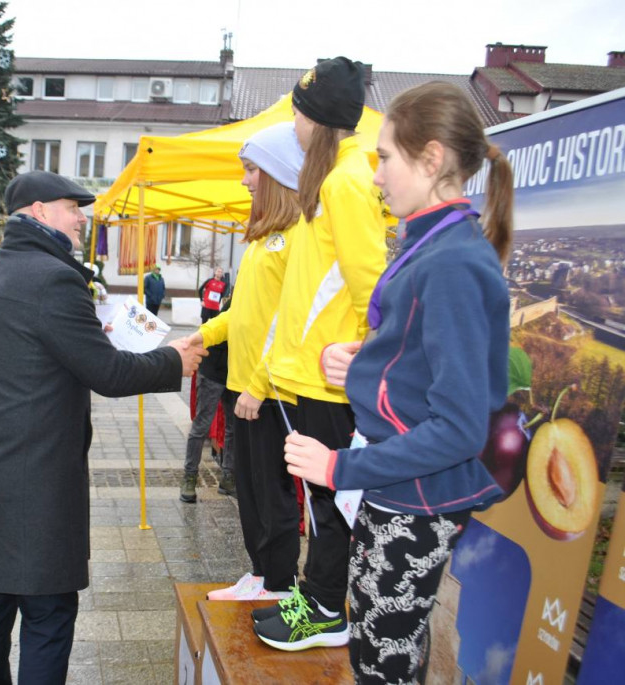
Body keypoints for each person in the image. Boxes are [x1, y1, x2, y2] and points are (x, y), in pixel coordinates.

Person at [282, 81, 514, 682]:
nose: (377, 176)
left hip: (414, 495)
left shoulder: (454, 260)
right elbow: (425, 358)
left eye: (385, 157)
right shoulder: (434, 246)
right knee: (378, 651)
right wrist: (365, 359)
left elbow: (460, 426)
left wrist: (338, 469)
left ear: (431, 159)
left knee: (383, 663)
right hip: (400, 490)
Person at [0, 170, 206, 684]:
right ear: (40, 212)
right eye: (72, 207)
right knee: (47, 616)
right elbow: (107, 374)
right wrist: (172, 360)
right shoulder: (53, 278)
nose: (82, 217)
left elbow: (29, 358)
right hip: (36, 481)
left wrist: (90, 334)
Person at [241, 57, 388, 652]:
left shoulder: (346, 181)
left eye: (300, 114)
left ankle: (327, 610)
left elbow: (372, 283)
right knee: (319, 500)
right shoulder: (327, 181)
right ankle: (317, 597)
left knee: (330, 505)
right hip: (309, 374)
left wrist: (367, 355)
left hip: (332, 379)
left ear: (320, 121)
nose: (294, 124)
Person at [189, 122, 307, 602]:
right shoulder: (263, 237)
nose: (244, 180)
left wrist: (258, 384)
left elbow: (290, 319)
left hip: (272, 390)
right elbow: (247, 313)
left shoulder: (299, 236)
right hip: (246, 385)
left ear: (277, 172)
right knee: (250, 491)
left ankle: (279, 585)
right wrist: (203, 334)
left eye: (252, 169)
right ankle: (260, 574)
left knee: (273, 492)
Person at [181, 295, 234, 503]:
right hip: (213, 370)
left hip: (235, 372)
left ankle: (229, 478)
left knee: (233, 428)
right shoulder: (240, 298)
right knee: (201, 426)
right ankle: (189, 478)